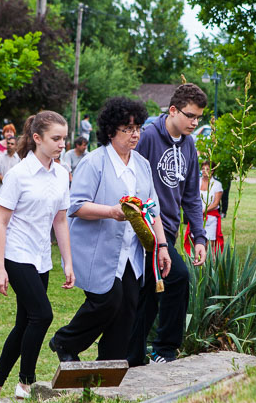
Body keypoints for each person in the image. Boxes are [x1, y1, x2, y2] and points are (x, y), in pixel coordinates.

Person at [49, 97, 171, 362]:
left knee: (127, 309)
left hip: (130, 253)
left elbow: (153, 209)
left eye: (137, 128)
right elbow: (76, 206)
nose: (135, 134)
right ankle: (65, 342)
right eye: (128, 129)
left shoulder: (142, 164)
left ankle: (110, 365)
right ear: (110, 131)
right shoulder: (94, 162)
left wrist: (162, 246)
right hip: (96, 250)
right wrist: (111, 212)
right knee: (107, 301)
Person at [0, 111, 74, 402]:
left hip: (41, 257)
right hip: (16, 254)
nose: (62, 144)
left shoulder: (62, 174)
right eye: (56, 138)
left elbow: (60, 220)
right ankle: (26, 383)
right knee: (43, 315)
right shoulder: (18, 175)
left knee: (25, 323)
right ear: (37, 138)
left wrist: (68, 262)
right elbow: (1, 223)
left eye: (64, 138)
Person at [127, 83, 209, 366]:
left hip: (169, 231)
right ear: (173, 110)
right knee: (178, 277)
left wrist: (199, 237)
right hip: (143, 229)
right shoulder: (149, 137)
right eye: (190, 116)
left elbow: (191, 196)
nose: (194, 122)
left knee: (150, 294)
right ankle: (165, 349)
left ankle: (133, 356)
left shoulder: (189, 145)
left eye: (198, 117)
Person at [184, 161, 224, 255]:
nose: (204, 171)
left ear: (212, 171)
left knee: (210, 243)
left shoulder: (217, 184)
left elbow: (216, 203)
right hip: (197, 217)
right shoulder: (196, 182)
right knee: (196, 241)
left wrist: (203, 211)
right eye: (202, 169)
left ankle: (210, 260)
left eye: (207, 169)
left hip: (210, 217)